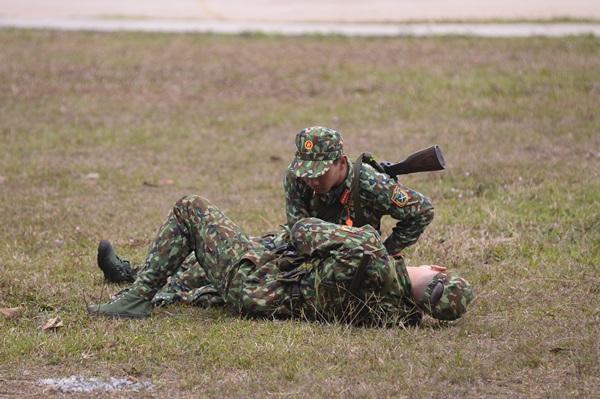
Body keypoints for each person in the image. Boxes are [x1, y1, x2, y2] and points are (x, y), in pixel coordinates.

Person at [96, 126, 435, 308]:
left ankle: (141, 284)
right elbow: (298, 228)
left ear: (341, 163)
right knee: (209, 259)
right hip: (301, 250)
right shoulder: (297, 177)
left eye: (320, 173)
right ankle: (134, 274)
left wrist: (387, 253)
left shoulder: (370, 184)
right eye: (306, 173)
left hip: (342, 264)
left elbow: (421, 211)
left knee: (217, 276)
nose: (312, 181)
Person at [87, 195, 473, 326]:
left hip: (256, 280)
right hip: (269, 299)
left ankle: (137, 297)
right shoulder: (395, 316)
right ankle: (133, 275)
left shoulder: (369, 251)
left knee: (191, 210)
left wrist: (358, 236)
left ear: (437, 269)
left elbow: (303, 230)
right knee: (214, 259)